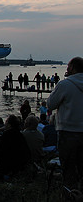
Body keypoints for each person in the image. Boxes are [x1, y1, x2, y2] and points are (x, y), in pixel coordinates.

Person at [47, 57, 83, 190]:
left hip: (68, 132)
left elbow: (50, 104)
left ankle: (70, 194)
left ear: (73, 67)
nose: (67, 69)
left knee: (68, 168)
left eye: (68, 66)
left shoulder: (64, 85)